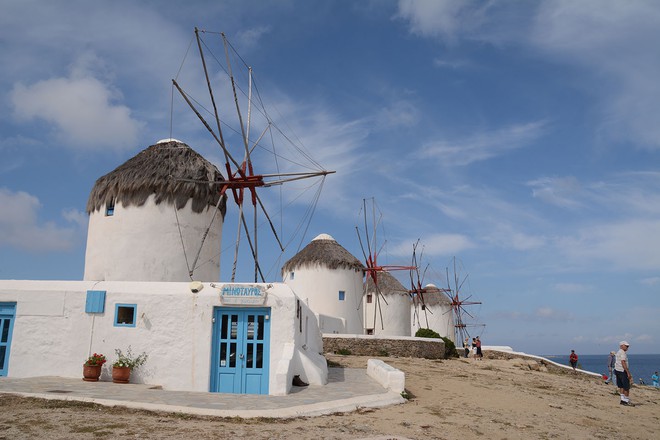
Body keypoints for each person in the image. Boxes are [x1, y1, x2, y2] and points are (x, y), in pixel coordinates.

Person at [614, 341, 633, 406]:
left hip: (617, 370)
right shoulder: (622, 353)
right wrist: (628, 372)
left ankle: (622, 400)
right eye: (626, 346)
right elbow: (623, 362)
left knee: (621, 386)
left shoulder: (618, 352)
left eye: (628, 346)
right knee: (626, 387)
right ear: (622, 346)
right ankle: (626, 401)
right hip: (622, 371)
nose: (627, 347)